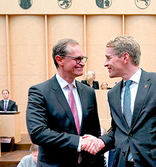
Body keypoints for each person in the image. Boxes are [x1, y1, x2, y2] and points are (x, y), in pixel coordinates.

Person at [88, 35, 156, 166]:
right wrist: (102, 141)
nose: (105, 63)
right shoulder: (113, 93)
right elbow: (119, 131)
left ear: (125, 57)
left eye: (108, 58)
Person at [26, 38, 104, 166]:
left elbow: (95, 133)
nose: (82, 63)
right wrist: (78, 142)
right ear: (59, 60)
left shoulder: (88, 92)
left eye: (83, 59)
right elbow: (38, 133)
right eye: (77, 59)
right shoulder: (40, 92)